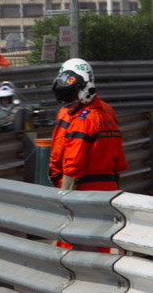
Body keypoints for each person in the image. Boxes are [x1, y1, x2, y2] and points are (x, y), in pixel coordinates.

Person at [49, 58, 126, 193]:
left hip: (81, 188)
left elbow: (62, 152)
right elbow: (117, 156)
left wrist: (55, 177)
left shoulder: (75, 117)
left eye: (69, 95)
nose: (65, 102)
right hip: (109, 187)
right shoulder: (108, 112)